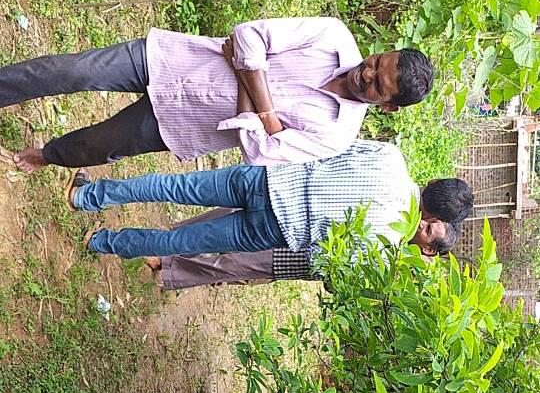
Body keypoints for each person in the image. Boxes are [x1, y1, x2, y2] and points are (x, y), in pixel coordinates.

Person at [1, 18, 433, 173]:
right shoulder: (332, 36)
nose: (366, 72)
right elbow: (248, 35)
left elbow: (260, 152)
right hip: (175, 60)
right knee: (70, 70)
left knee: (95, 146)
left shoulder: (337, 135)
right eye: (378, 61)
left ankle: (45, 156)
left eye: (377, 85)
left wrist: (248, 76)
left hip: (183, 125)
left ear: (387, 106)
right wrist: (265, 115)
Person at [67, 141, 465, 268]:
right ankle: (101, 242)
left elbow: (328, 147)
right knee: (180, 243)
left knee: (174, 186)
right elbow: (324, 257)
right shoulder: (386, 244)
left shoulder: (390, 157)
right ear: (434, 217)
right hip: (273, 229)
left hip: (268, 179)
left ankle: (87, 196)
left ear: (433, 182)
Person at [147, 177, 472, 291]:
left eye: (429, 230)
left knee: (230, 265)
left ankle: (168, 265)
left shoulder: (392, 257)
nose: (422, 226)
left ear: (429, 249)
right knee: (227, 223)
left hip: (296, 257)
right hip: (296, 218)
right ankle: (168, 245)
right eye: (428, 223)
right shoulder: (395, 203)